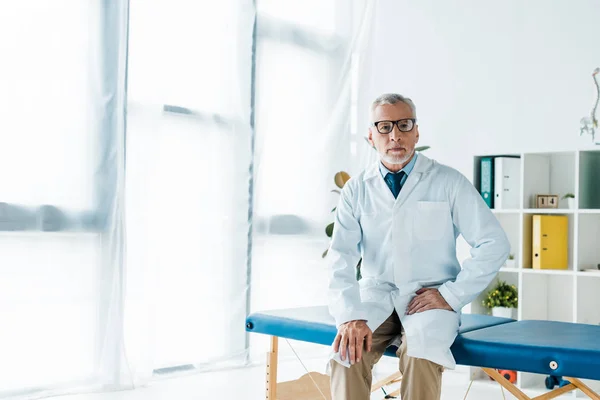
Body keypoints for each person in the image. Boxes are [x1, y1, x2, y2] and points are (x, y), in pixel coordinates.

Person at [326, 93, 510, 400]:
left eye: (404, 124)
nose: (395, 134)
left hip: (430, 298)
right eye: (384, 126)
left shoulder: (449, 182)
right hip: (377, 295)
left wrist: (450, 295)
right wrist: (349, 316)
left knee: (420, 355)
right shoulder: (357, 189)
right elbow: (341, 257)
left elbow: (494, 243)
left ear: (417, 131)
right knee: (347, 355)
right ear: (371, 136)